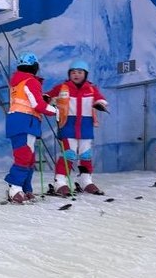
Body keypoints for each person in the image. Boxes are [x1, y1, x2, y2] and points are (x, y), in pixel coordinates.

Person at [46, 59, 109, 195]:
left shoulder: (91, 88)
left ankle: (85, 181)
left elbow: (101, 99)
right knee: (69, 154)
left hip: (86, 127)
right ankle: (60, 182)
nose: (76, 75)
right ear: (69, 74)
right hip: (68, 125)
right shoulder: (62, 87)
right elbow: (47, 96)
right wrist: (49, 100)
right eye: (73, 72)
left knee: (86, 155)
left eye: (80, 72)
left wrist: (100, 104)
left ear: (85, 74)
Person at [4, 49, 58, 204]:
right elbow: (37, 105)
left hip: (19, 122)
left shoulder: (18, 82)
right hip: (25, 122)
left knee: (28, 157)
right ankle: (15, 188)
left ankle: (25, 188)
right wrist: (55, 111)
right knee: (24, 156)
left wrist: (43, 99)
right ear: (35, 67)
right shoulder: (31, 81)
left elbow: (30, 100)